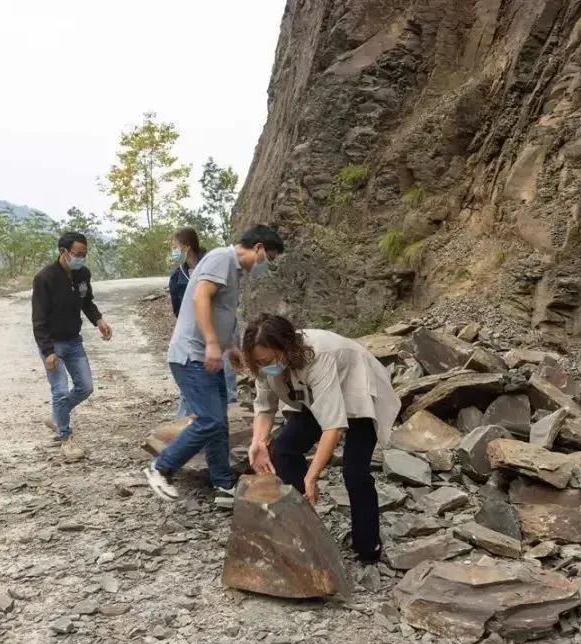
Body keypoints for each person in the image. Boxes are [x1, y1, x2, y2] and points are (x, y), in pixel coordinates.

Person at [242, 314, 400, 564]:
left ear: (285, 348)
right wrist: (258, 442)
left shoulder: (318, 355)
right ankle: (300, 529)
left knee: (354, 472)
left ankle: (368, 546)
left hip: (357, 388)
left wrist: (312, 476)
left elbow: (333, 427)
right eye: (259, 362)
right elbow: (264, 407)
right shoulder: (263, 364)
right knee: (284, 448)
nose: (264, 367)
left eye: (268, 360)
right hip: (313, 395)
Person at [145, 224, 285, 500]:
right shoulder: (222, 258)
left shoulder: (236, 272)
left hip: (209, 357)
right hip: (191, 355)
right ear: (258, 248)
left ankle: (222, 482)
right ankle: (161, 468)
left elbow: (223, 313)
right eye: (269, 258)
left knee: (218, 422)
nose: (266, 264)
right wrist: (211, 342)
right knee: (208, 420)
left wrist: (229, 347)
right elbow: (201, 297)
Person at [31, 230, 112, 461]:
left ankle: (57, 416)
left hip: (73, 341)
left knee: (85, 387)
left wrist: (99, 320)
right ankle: (66, 438)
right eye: (77, 254)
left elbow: (87, 302)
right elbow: (38, 319)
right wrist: (47, 352)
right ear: (63, 252)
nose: (81, 258)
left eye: (84, 254)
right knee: (58, 389)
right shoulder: (45, 278)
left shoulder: (82, 274)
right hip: (52, 344)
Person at [168, 227, 237, 415]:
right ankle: (184, 432)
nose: (173, 252)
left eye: (175, 247)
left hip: (221, 336)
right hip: (195, 339)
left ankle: (227, 424)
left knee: (225, 383)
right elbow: (179, 309)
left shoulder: (214, 263)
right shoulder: (177, 277)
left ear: (186, 247)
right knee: (192, 389)